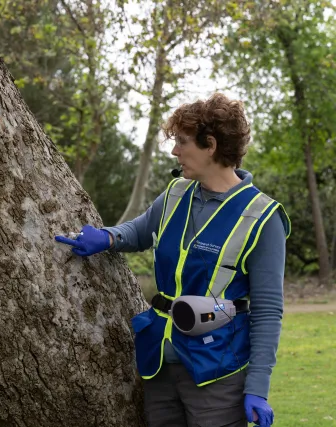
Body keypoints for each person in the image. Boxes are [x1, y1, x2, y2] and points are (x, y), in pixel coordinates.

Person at [55, 93, 290, 427]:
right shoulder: (177, 192)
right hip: (160, 363)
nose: (174, 151)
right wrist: (108, 236)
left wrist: (258, 388)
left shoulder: (263, 217)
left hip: (217, 371)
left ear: (210, 145)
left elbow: (268, 310)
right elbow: (139, 230)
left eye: (182, 142)